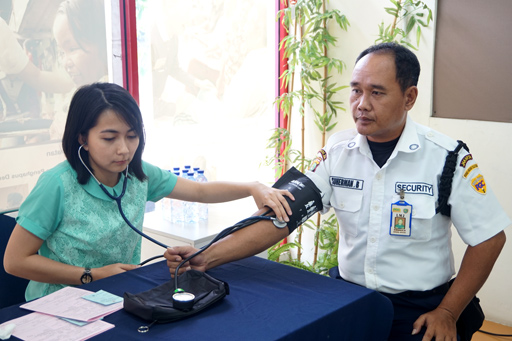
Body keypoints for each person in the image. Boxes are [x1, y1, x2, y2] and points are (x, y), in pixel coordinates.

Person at [164, 42, 509, 340]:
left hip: (420, 308)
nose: (361, 103)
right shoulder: (337, 150)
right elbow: (281, 216)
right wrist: (205, 257)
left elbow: (489, 238)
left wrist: (448, 312)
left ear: (409, 97)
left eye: (377, 92)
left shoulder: (447, 158)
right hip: (348, 297)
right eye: (356, 90)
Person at [3, 82, 294, 302]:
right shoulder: (56, 185)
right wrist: (90, 275)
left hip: (117, 297)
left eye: (132, 136)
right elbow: (15, 262)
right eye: (109, 137)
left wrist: (252, 187)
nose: (124, 149)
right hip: (58, 305)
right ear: (83, 138)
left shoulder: (139, 174)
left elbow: (201, 193)